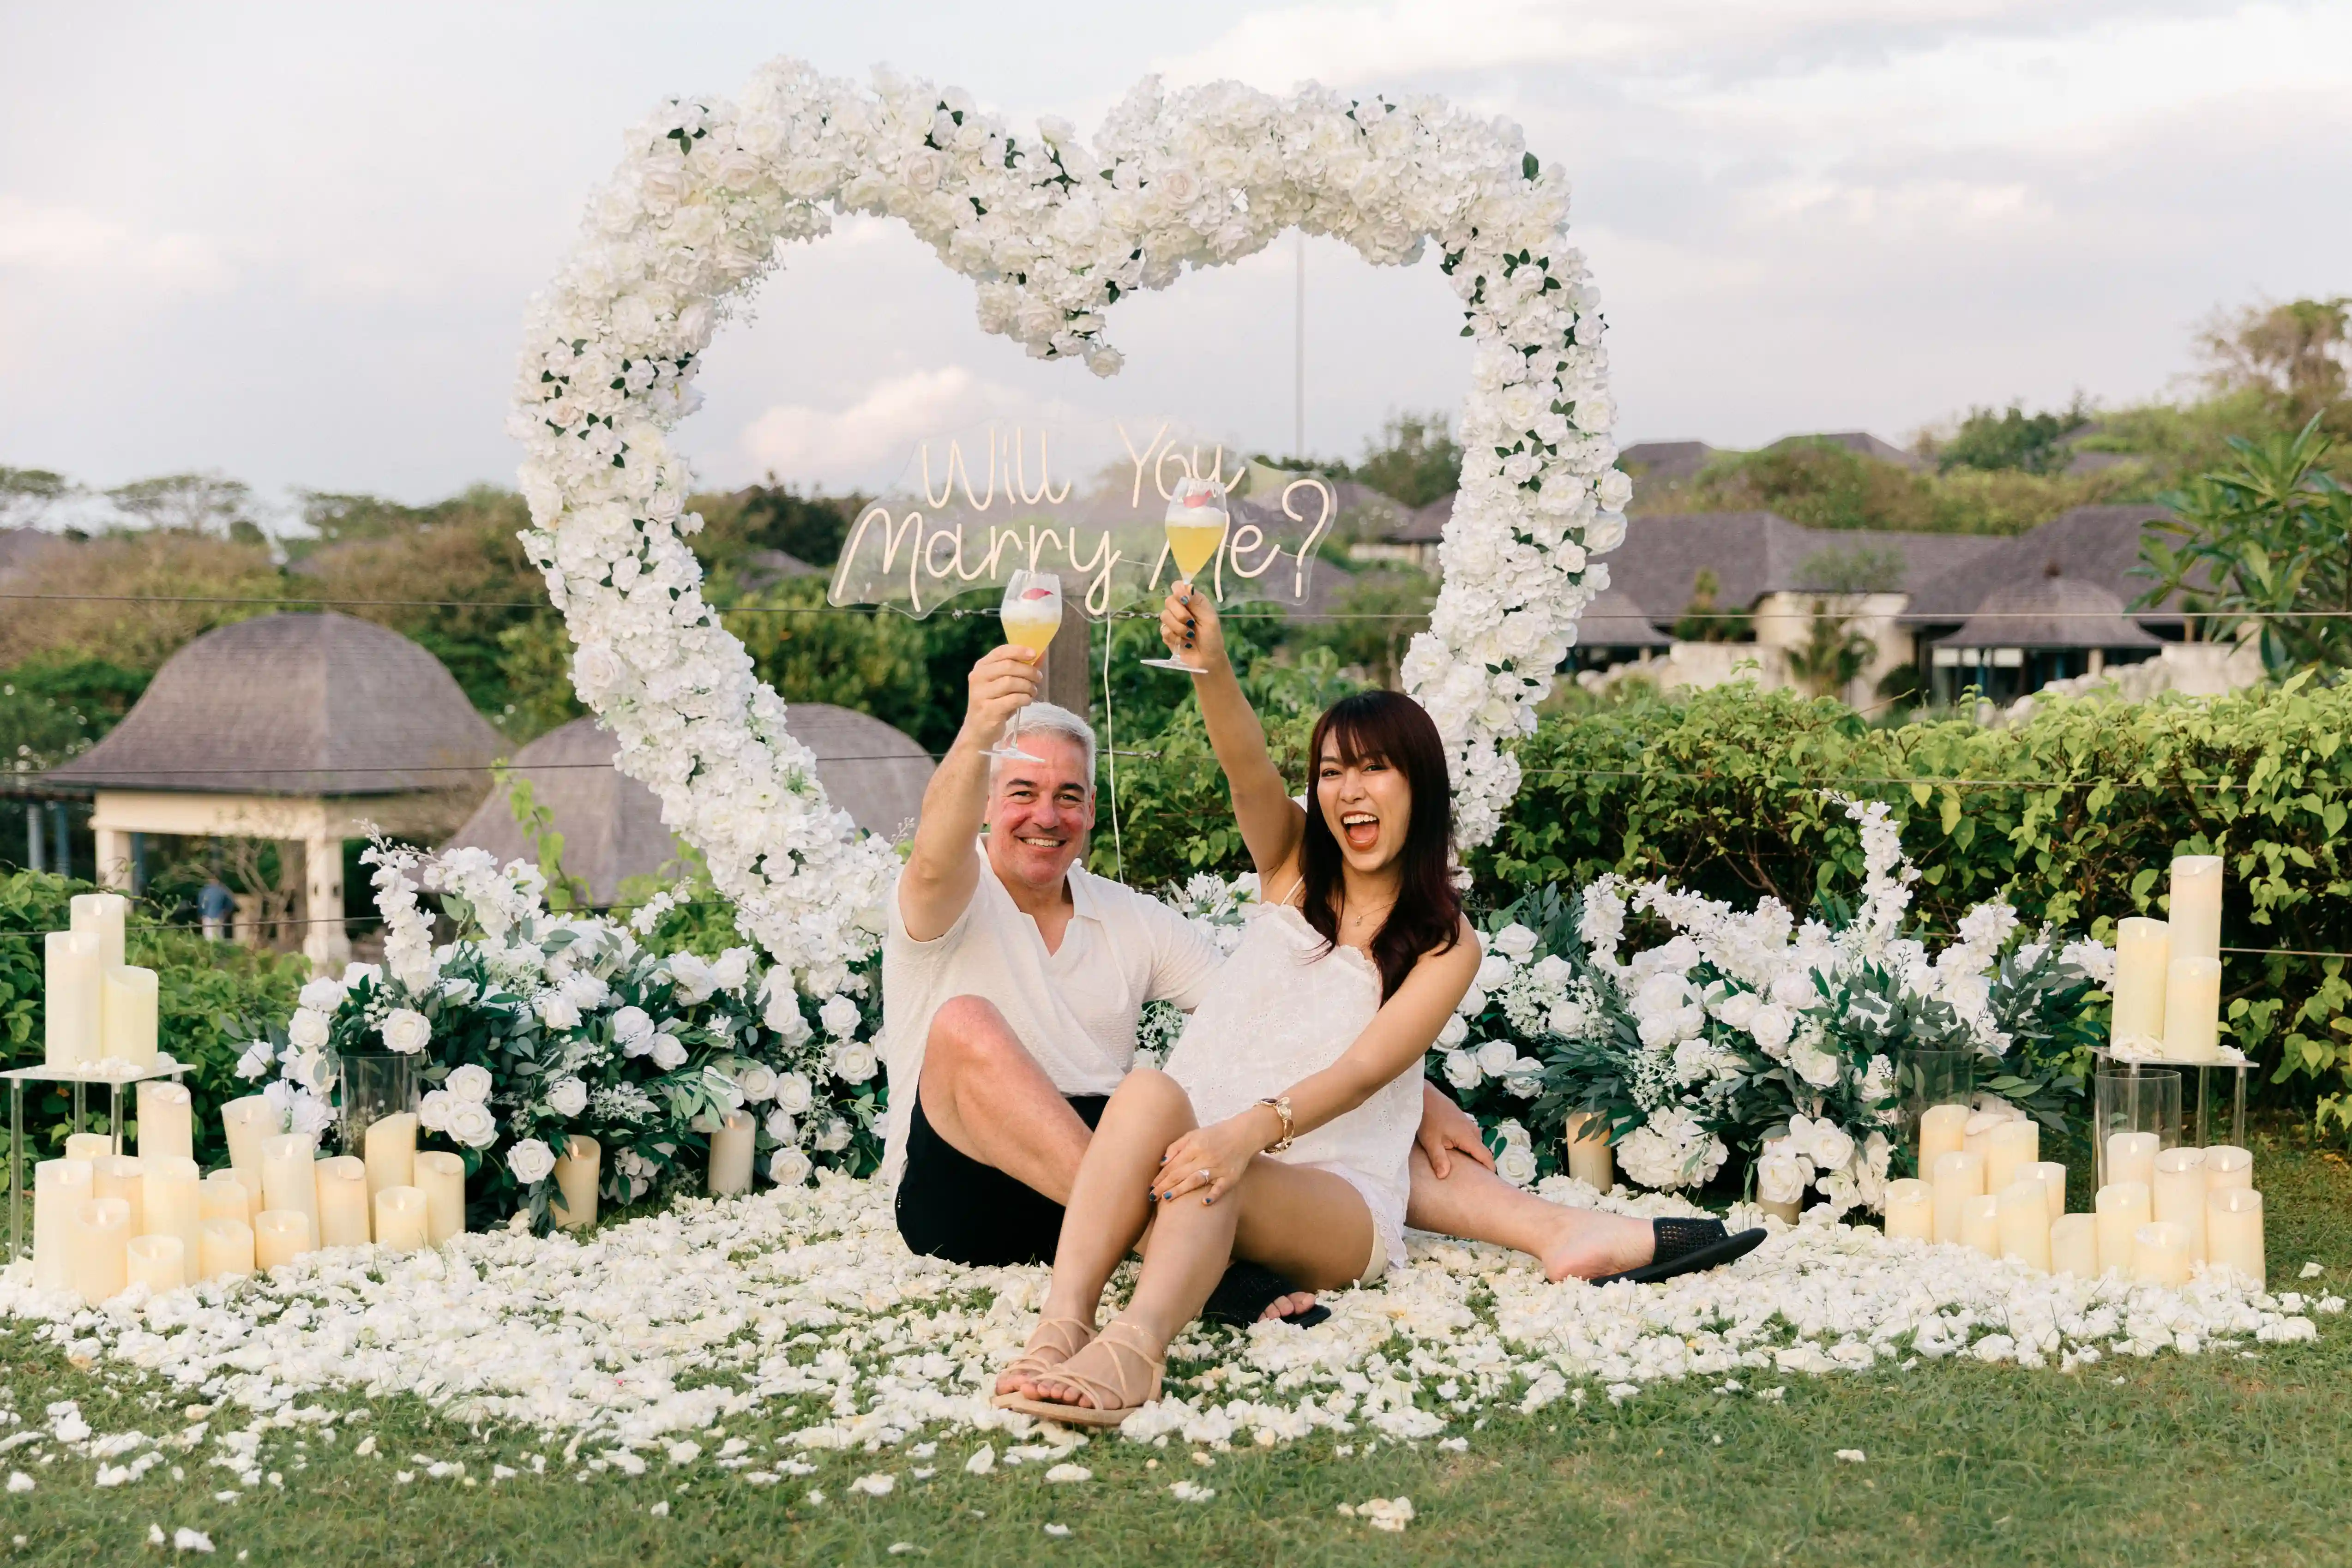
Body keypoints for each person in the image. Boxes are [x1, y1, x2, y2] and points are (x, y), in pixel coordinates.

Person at [990, 589, 1762, 1426]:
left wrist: (1245, 1133)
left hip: (1332, 1201)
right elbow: (1245, 764)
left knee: (1217, 1173)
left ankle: (1136, 1350)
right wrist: (1209, 667)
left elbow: (1363, 1071)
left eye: (1373, 768)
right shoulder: (1290, 870)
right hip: (1202, 1149)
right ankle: (1061, 1326)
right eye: (1331, 771)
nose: (1348, 790)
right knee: (1146, 1090)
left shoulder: (1444, 943)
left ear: (1418, 785)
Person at [198, 875, 234, 942]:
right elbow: (229, 906)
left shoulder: (204, 892)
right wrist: (224, 915)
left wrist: (201, 915)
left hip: (207, 917)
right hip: (219, 916)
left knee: (208, 937)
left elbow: (201, 906)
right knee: (219, 936)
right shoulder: (223, 891)